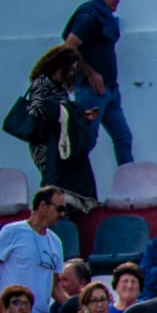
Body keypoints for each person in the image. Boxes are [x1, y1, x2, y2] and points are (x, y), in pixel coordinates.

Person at [61, 0, 134, 166]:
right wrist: (90, 73)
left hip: (110, 89)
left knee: (123, 137)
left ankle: (129, 184)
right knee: (87, 140)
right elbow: (70, 45)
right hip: (91, 90)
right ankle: (76, 181)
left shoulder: (105, 19)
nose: (117, 0)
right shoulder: (91, 16)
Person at [21, 44, 99, 213]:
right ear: (59, 66)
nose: (72, 74)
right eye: (70, 69)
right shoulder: (42, 83)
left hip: (60, 143)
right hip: (44, 143)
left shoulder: (60, 88)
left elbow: (64, 114)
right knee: (52, 178)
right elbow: (39, 111)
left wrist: (81, 116)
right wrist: (65, 112)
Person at [0, 186, 67, 313]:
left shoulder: (56, 242)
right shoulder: (12, 231)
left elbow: (55, 287)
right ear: (43, 206)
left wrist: (77, 305)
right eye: (59, 209)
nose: (62, 214)